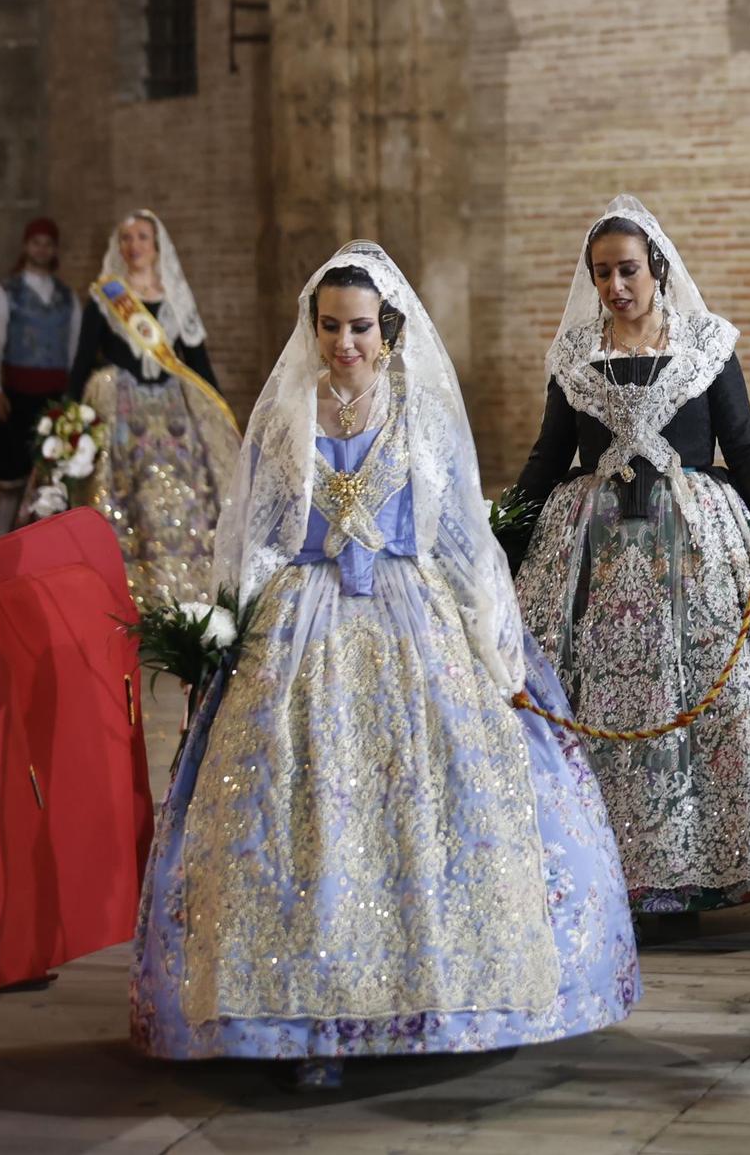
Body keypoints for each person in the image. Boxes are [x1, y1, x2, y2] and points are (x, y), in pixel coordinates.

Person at [130, 241, 640, 1089]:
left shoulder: (421, 411)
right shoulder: (289, 415)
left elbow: (460, 540)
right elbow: (254, 535)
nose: (344, 343)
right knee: (303, 820)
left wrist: (495, 646)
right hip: (301, 632)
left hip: (414, 627)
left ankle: (440, 1006)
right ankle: (307, 1022)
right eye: (329, 326)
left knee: (428, 815)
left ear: (388, 327)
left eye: (360, 326)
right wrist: (224, 636)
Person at [511, 195, 750, 911]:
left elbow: (742, 446)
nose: (616, 286)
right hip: (591, 557)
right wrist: (498, 539)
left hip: (698, 554)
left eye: (629, 270)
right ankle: (609, 868)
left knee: (716, 696)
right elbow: (549, 457)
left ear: (658, 268)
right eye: (603, 272)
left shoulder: (706, 346)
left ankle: (708, 862)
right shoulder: (575, 357)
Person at [70, 210, 237, 603]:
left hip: (175, 414)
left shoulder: (177, 298)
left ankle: (186, 588)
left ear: (157, 246)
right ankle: (137, 591)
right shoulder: (106, 296)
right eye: (126, 238)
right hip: (123, 415)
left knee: (186, 497)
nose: (134, 246)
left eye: (142, 237)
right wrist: (69, 420)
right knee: (134, 499)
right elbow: (81, 362)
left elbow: (198, 365)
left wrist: (223, 416)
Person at [0, 217, 79, 536]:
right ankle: (2, 542)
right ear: (26, 246)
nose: (41, 248)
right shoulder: (5, 293)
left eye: (48, 243)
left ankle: (46, 544)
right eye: (36, 242)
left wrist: (72, 400)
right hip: (15, 398)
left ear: (54, 249)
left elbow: (74, 352)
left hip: (56, 401)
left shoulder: (67, 297)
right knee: (10, 476)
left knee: (53, 477)